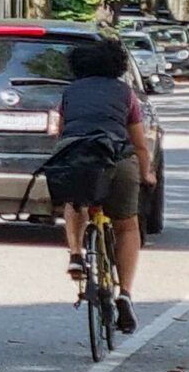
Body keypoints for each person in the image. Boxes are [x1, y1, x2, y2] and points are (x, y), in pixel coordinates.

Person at [53, 38, 156, 334]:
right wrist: (147, 174)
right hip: (115, 158)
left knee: (74, 202)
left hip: (77, 158)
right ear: (117, 64)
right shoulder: (125, 94)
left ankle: (75, 254)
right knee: (127, 225)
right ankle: (124, 293)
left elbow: (60, 135)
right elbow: (139, 145)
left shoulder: (70, 93)